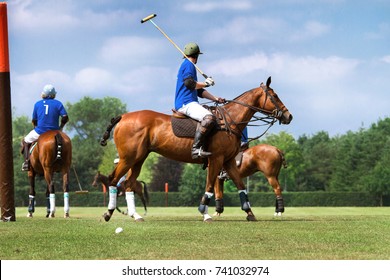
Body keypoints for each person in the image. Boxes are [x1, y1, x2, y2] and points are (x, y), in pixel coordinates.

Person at [175, 42, 225, 159]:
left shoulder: (188, 65)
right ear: (197, 55)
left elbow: (198, 91)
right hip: (186, 103)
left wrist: (215, 98)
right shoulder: (189, 65)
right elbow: (190, 84)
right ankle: (196, 149)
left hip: (190, 101)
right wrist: (206, 83)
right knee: (209, 118)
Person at [21, 84, 69, 171]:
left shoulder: (37, 104)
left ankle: (27, 162)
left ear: (43, 94)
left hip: (40, 131)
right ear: (54, 94)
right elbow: (65, 117)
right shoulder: (58, 103)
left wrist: (36, 127)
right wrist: (60, 127)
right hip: (55, 131)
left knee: (25, 141)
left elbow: (34, 120)